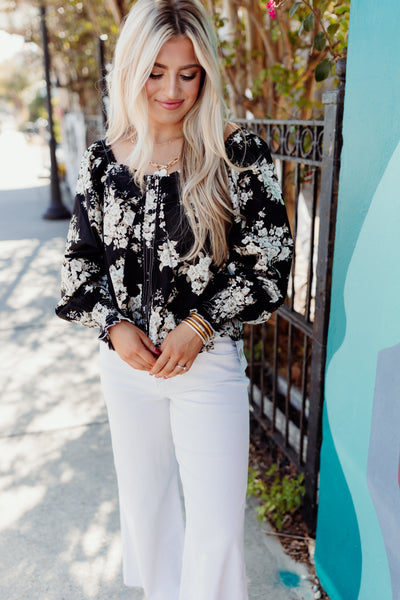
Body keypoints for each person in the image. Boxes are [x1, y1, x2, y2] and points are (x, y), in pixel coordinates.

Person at [55, 0, 293, 598]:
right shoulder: (105, 160)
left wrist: (200, 324)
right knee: (147, 515)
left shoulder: (238, 154)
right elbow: (79, 265)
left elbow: (269, 264)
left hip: (206, 366)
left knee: (216, 530)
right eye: (157, 72)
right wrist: (113, 326)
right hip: (127, 370)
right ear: (133, 69)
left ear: (206, 73)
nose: (172, 89)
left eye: (188, 73)